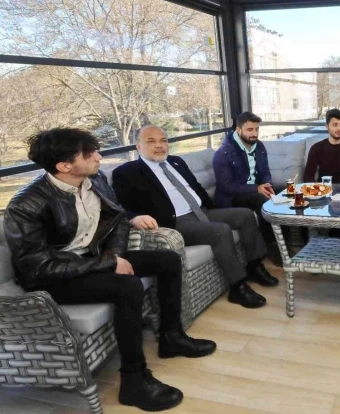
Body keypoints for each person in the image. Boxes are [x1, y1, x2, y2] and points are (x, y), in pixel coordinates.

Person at [3, 128, 217, 412]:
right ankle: (134, 381)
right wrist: (110, 264)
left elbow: (116, 219)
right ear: (64, 166)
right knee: (127, 287)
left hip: (93, 258)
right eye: (89, 154)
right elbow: (38, 267)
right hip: (54, 278)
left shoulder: (95, 180)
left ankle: (171, 337)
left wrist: (114, 256)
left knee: (167, 259)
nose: (99, 157)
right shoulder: (27, 204)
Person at [112, 125, 278, 311]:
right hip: (175, 222)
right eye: (151, 141)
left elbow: (196, 187)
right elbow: (119, 207)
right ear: (138, 147)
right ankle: (237, 287)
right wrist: (134, 217)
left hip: (202, 211)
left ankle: (254, 266)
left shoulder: (176, 162)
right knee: (221, 231)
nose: (159, 145)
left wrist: (214, 208)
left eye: (163, 140)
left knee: (245, 215)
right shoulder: (127, 172)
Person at [212, 111, 280, 265]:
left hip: (255, 190)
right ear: (238, 130)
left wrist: (267, 184)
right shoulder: (223, 153)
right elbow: (226, 186)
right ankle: (272, 247)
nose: (254, 133)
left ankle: (284, 242)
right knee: (264, 201)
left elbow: (265, 172)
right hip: (232, 198)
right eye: (250, 129)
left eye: (256, 129)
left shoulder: (259, 146)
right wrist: (256, 189)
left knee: (285, 194)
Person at [303, 108, 340, 184]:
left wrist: (337, 189)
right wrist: (316, 189)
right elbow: (308, 176)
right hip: (322, 188)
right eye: (335, 125)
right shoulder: (316, 148)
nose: (339, 128)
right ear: (327, 126)